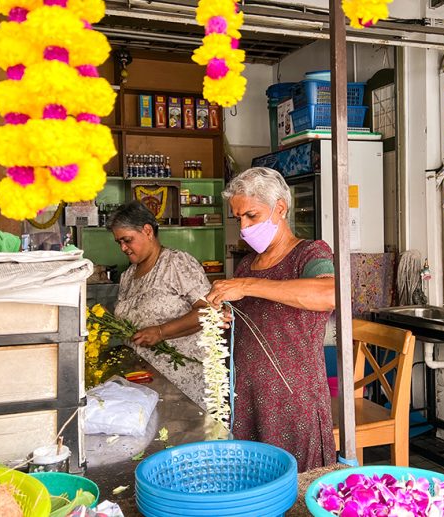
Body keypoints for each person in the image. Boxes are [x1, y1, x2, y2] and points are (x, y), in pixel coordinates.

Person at [205, 167, 336, 472]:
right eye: (238, 218)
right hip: (247, 394)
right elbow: (252, 319)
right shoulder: (248, 263)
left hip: (292, 396)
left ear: (280, 208)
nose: (244, 226)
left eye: (251, 215)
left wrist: (247, 285)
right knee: (254, 478)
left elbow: (330, 294)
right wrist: (226, 319)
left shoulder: (309, 253)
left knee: (295, 483)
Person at [109, 202, 210, 409]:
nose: (123, 248)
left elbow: (209, 312)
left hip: (183, 381)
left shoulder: (176, 264)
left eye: (127, 240)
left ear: (147, 231)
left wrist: (161, 332)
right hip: (144, 381)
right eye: (119, 242)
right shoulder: (128, 276)